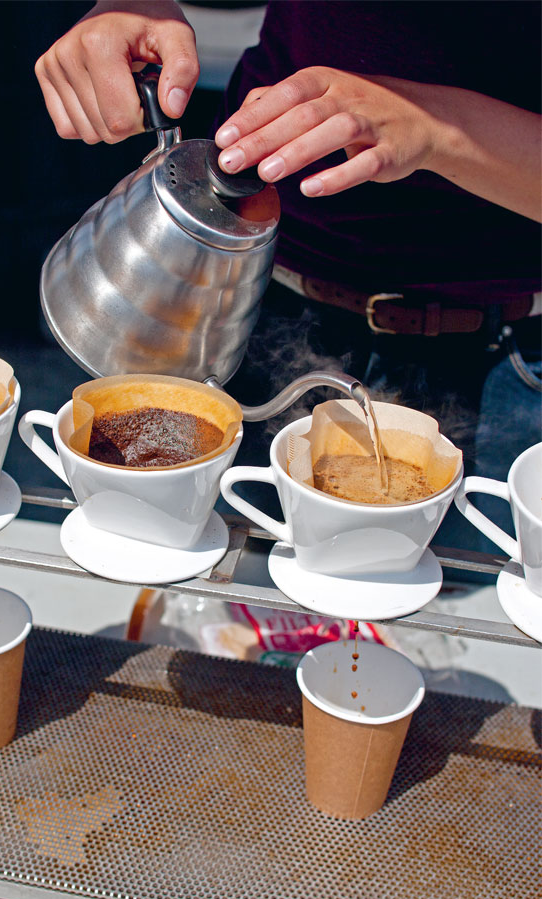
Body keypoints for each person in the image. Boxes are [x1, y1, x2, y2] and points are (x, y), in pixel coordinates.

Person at [35, 0, 541, 557]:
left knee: (488, 618)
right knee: (231, 591)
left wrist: (437, 127)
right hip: (254, 304)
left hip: (508, 360)